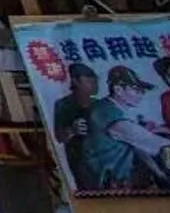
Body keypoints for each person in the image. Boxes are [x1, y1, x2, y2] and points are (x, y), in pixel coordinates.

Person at [51, 62, 154, 192]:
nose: (95, 85)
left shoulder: (100, 104)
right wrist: (72, 130)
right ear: (75, 81)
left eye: (96, 81)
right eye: (89, 81)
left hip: (109, 160)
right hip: (81, 161)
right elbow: (58, 137)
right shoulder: (63, 105)